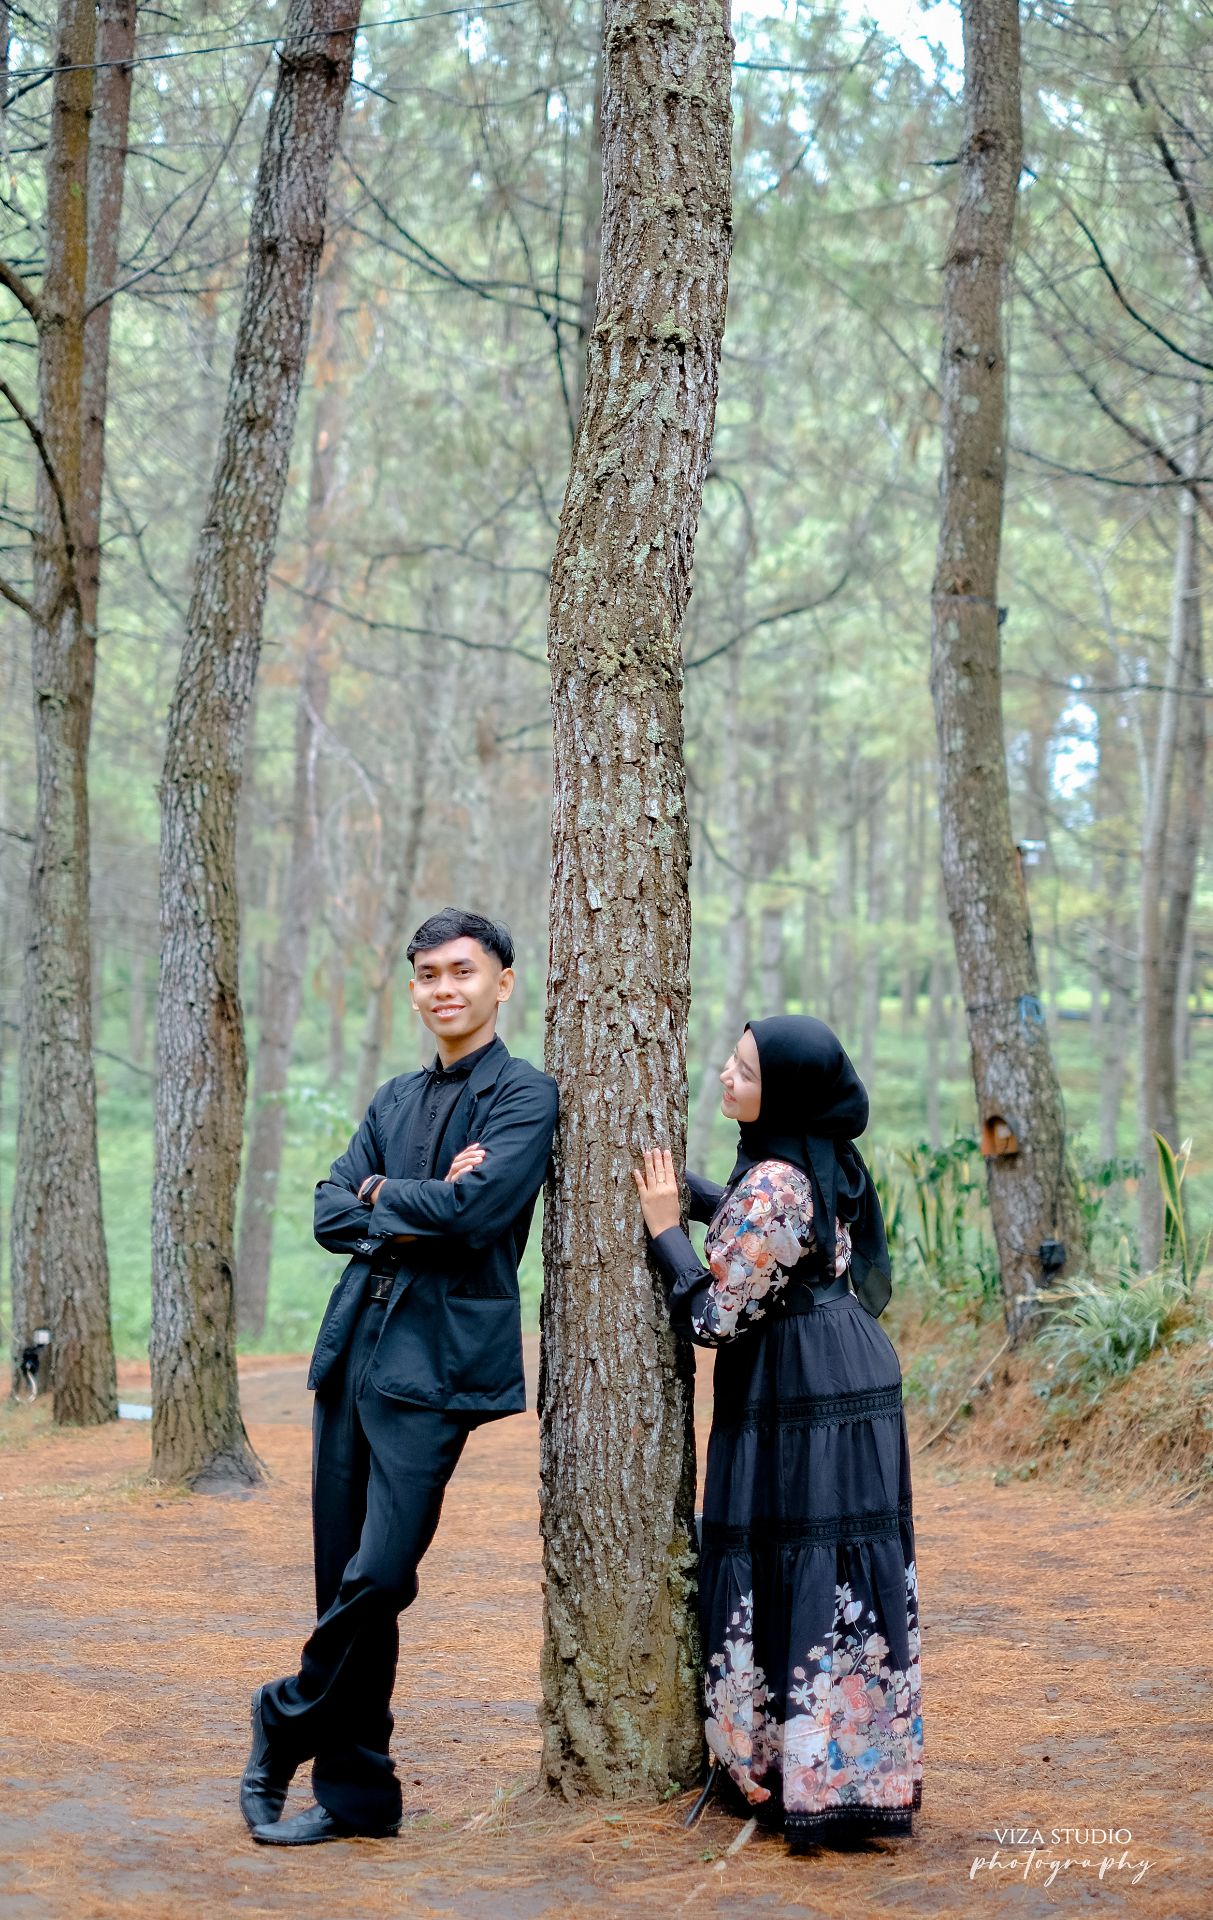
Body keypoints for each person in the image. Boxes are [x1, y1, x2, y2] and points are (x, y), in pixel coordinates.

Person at [241, 908, 558, 1846]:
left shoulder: (524, 1095)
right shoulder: (391, 1099)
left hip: (438, 1363)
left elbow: (477, 1213)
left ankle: (285, 1712)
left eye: (462, 970)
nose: (443, 989)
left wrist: (386, 1195)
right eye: (427, 974)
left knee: (380, 1574)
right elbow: (327, 1209)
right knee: (339, 1577)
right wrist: (402, 1197)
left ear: (503, 982)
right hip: (354, 1350)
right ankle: (357, 1796)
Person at [633, 1016, 922, 1851]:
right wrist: (695, 1196)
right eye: (732, 1059)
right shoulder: (810, 1157)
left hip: (804, 1384)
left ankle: (797, 1774)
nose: (726, 1075)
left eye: (745, 1070)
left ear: (784, 1095)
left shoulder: (774, 1182)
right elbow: (773, 1234)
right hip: (841, 1367)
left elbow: (713, 1318)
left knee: (800, 1554)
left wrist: (665, 1232)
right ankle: (839, 1773)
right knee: (831, 1568)